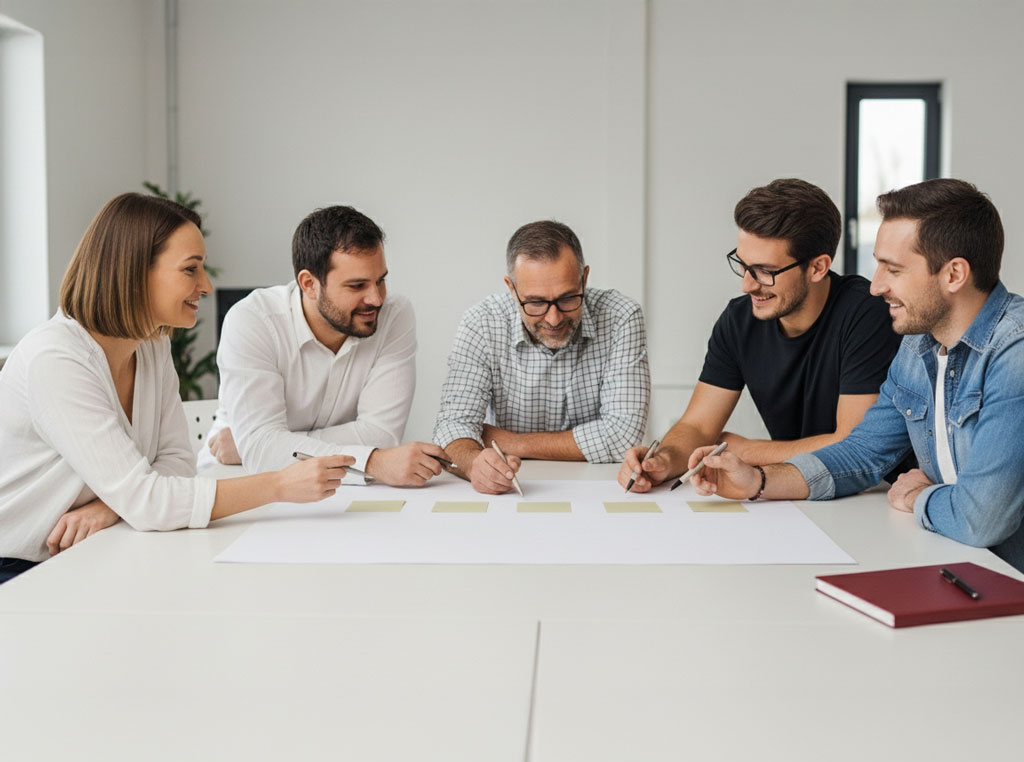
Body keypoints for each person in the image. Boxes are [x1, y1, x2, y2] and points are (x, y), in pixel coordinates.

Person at [688, 178, 1024, 608]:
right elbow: (861, 453)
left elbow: (982, 518)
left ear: (954, 274)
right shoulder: (919, 345)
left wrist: (917, 497)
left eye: (893, 270)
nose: (875, 286)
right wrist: (759, 482)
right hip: (965, 583)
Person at [0, 194, 352, 585]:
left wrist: (110, 506)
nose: (205, 285)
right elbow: (148, 500)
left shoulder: (151, 345)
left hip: (90, 546)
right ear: (133, 271)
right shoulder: (56, 359)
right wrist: (279, 484)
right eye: (191, 269)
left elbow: (175, 464)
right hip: (18, 569)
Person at [619, 178, 900, 492]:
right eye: (743, 265)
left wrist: (748, 451)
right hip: (787, 492)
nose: (748, 285)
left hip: (871, 499)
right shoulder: (739, 321)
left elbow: (853, 444)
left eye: (766, 271)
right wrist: (664, 461)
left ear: (818, 267)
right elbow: (698, 425)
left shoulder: (868, 314)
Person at [200, 205, 450, 486]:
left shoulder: (394, 315)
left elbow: (382, 434)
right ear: (309, 284)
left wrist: (266, 445)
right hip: (241, 481)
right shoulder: (253, 321)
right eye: (357, 286)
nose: (377, 299)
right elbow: (261, 455)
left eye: (380, 281)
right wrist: (373, 460)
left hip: (341, 487)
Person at [433, 220, 649, 494]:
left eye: (569, 298)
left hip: (600, 488)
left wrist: (514, 443)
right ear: (511, 288)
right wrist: (475, 463)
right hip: (513, 487)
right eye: (536, 303)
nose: (554, 318)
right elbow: (452, 427)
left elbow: (623, 435)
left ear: (584, 279)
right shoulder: (482, 322)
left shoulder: (621, 316)